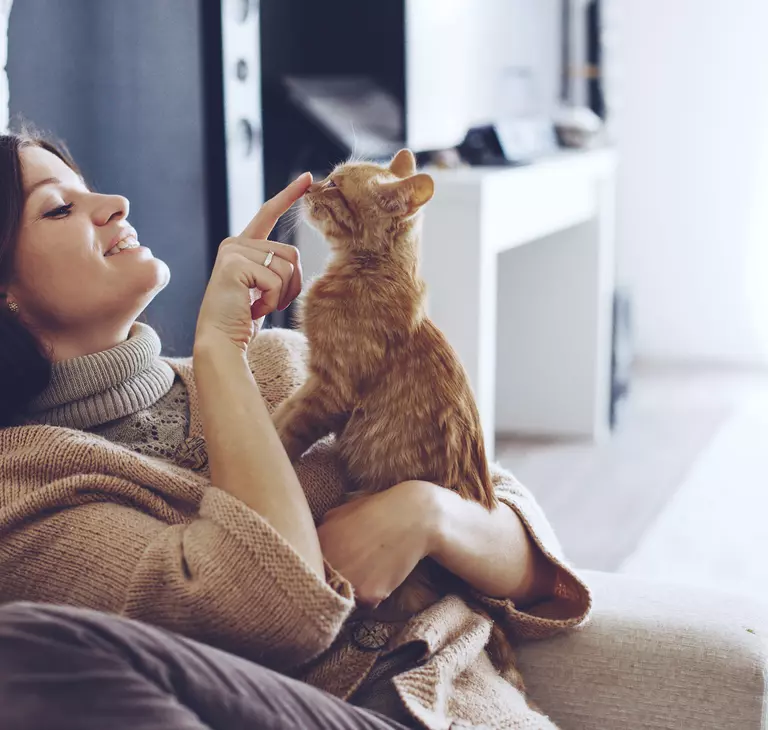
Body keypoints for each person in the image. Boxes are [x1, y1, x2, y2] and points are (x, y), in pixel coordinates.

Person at [0, 127, 591, 730]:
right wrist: (220, 351)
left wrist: (424, 514)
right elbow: (275, 611)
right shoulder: (21, 486)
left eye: (90, 189)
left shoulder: (283, 360)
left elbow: (533, 560)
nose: (115, 204)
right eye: (60, 207)